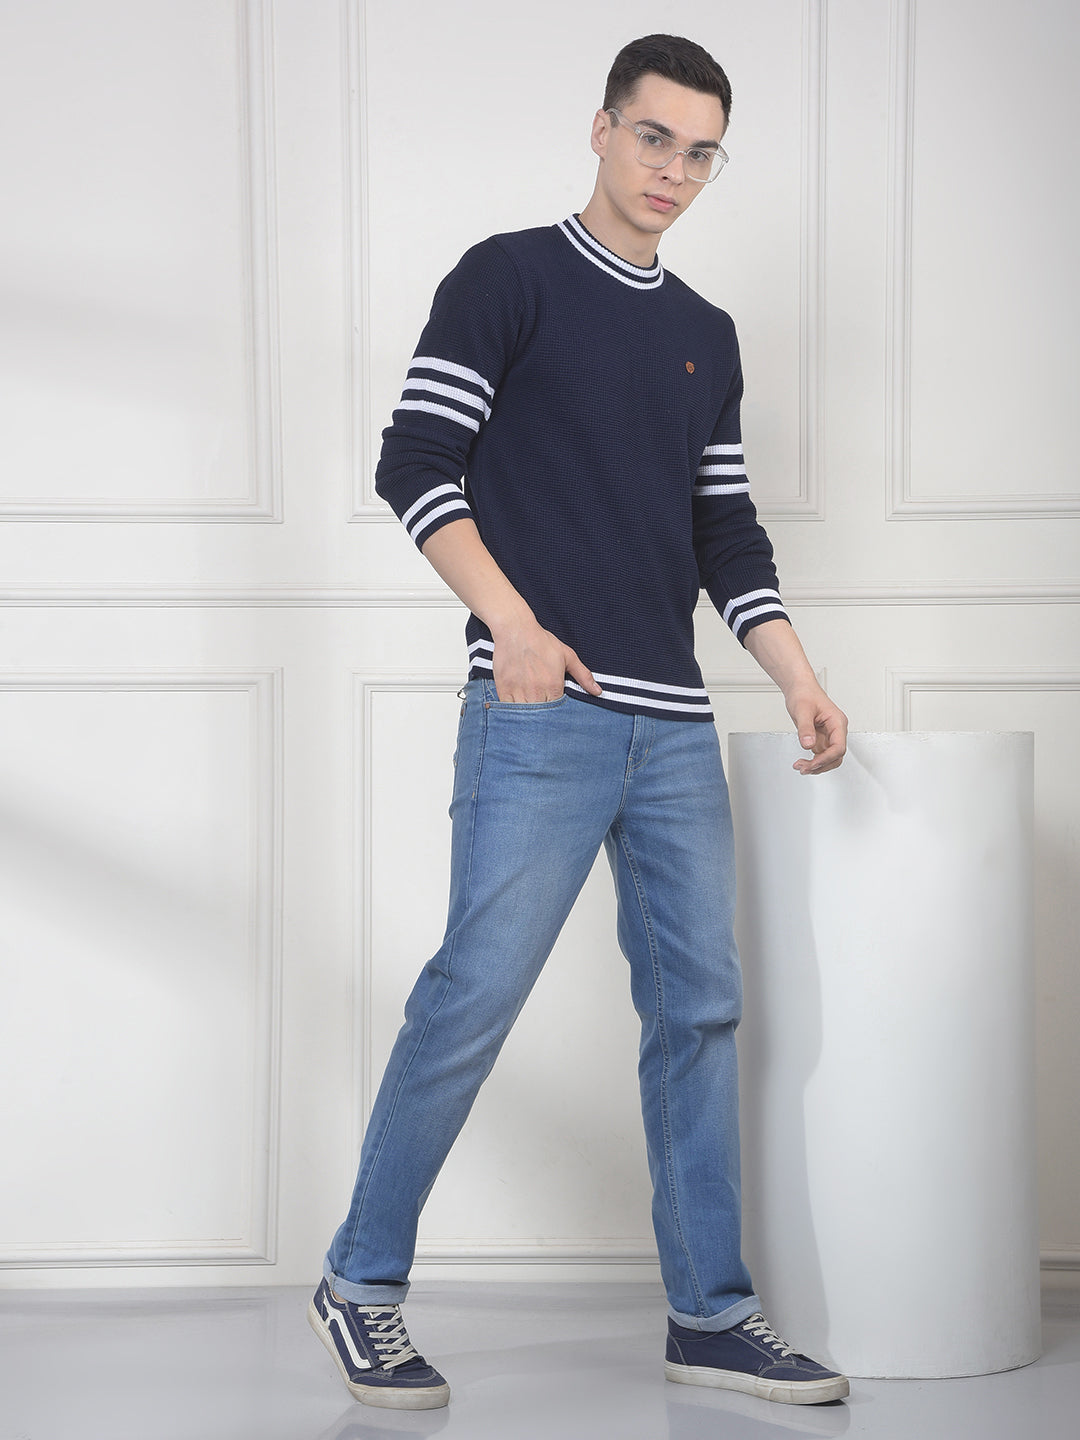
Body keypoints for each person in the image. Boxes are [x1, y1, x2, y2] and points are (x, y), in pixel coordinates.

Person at [308, 33, 850, 1412]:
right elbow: (414, 461)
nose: (673, 169)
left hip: (673, 731)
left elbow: (724, 531)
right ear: (601, 129)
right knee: (474, 992)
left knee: (699, 1012)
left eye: (700, 152)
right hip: (541, 712)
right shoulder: (508, 278)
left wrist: (794, 673)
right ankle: (361, 1285)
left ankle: (711, 1316)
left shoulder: (706, 335)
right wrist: (515, 626)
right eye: (653, 136)